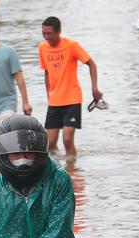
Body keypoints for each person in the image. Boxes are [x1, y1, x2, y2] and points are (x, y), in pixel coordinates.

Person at [38, 16, 101, 157]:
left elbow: (91, 64)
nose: (47, 37)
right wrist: (49, 95)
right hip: (54, 101)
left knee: (67, 139)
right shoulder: (42, 47)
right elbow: (47, 72)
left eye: (50, 33)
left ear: (59, 31)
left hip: (72, 99)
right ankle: (55, 169)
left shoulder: (71, 46)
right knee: (50, 143)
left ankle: (72, 170)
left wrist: (94, 89)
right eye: (44, 33)